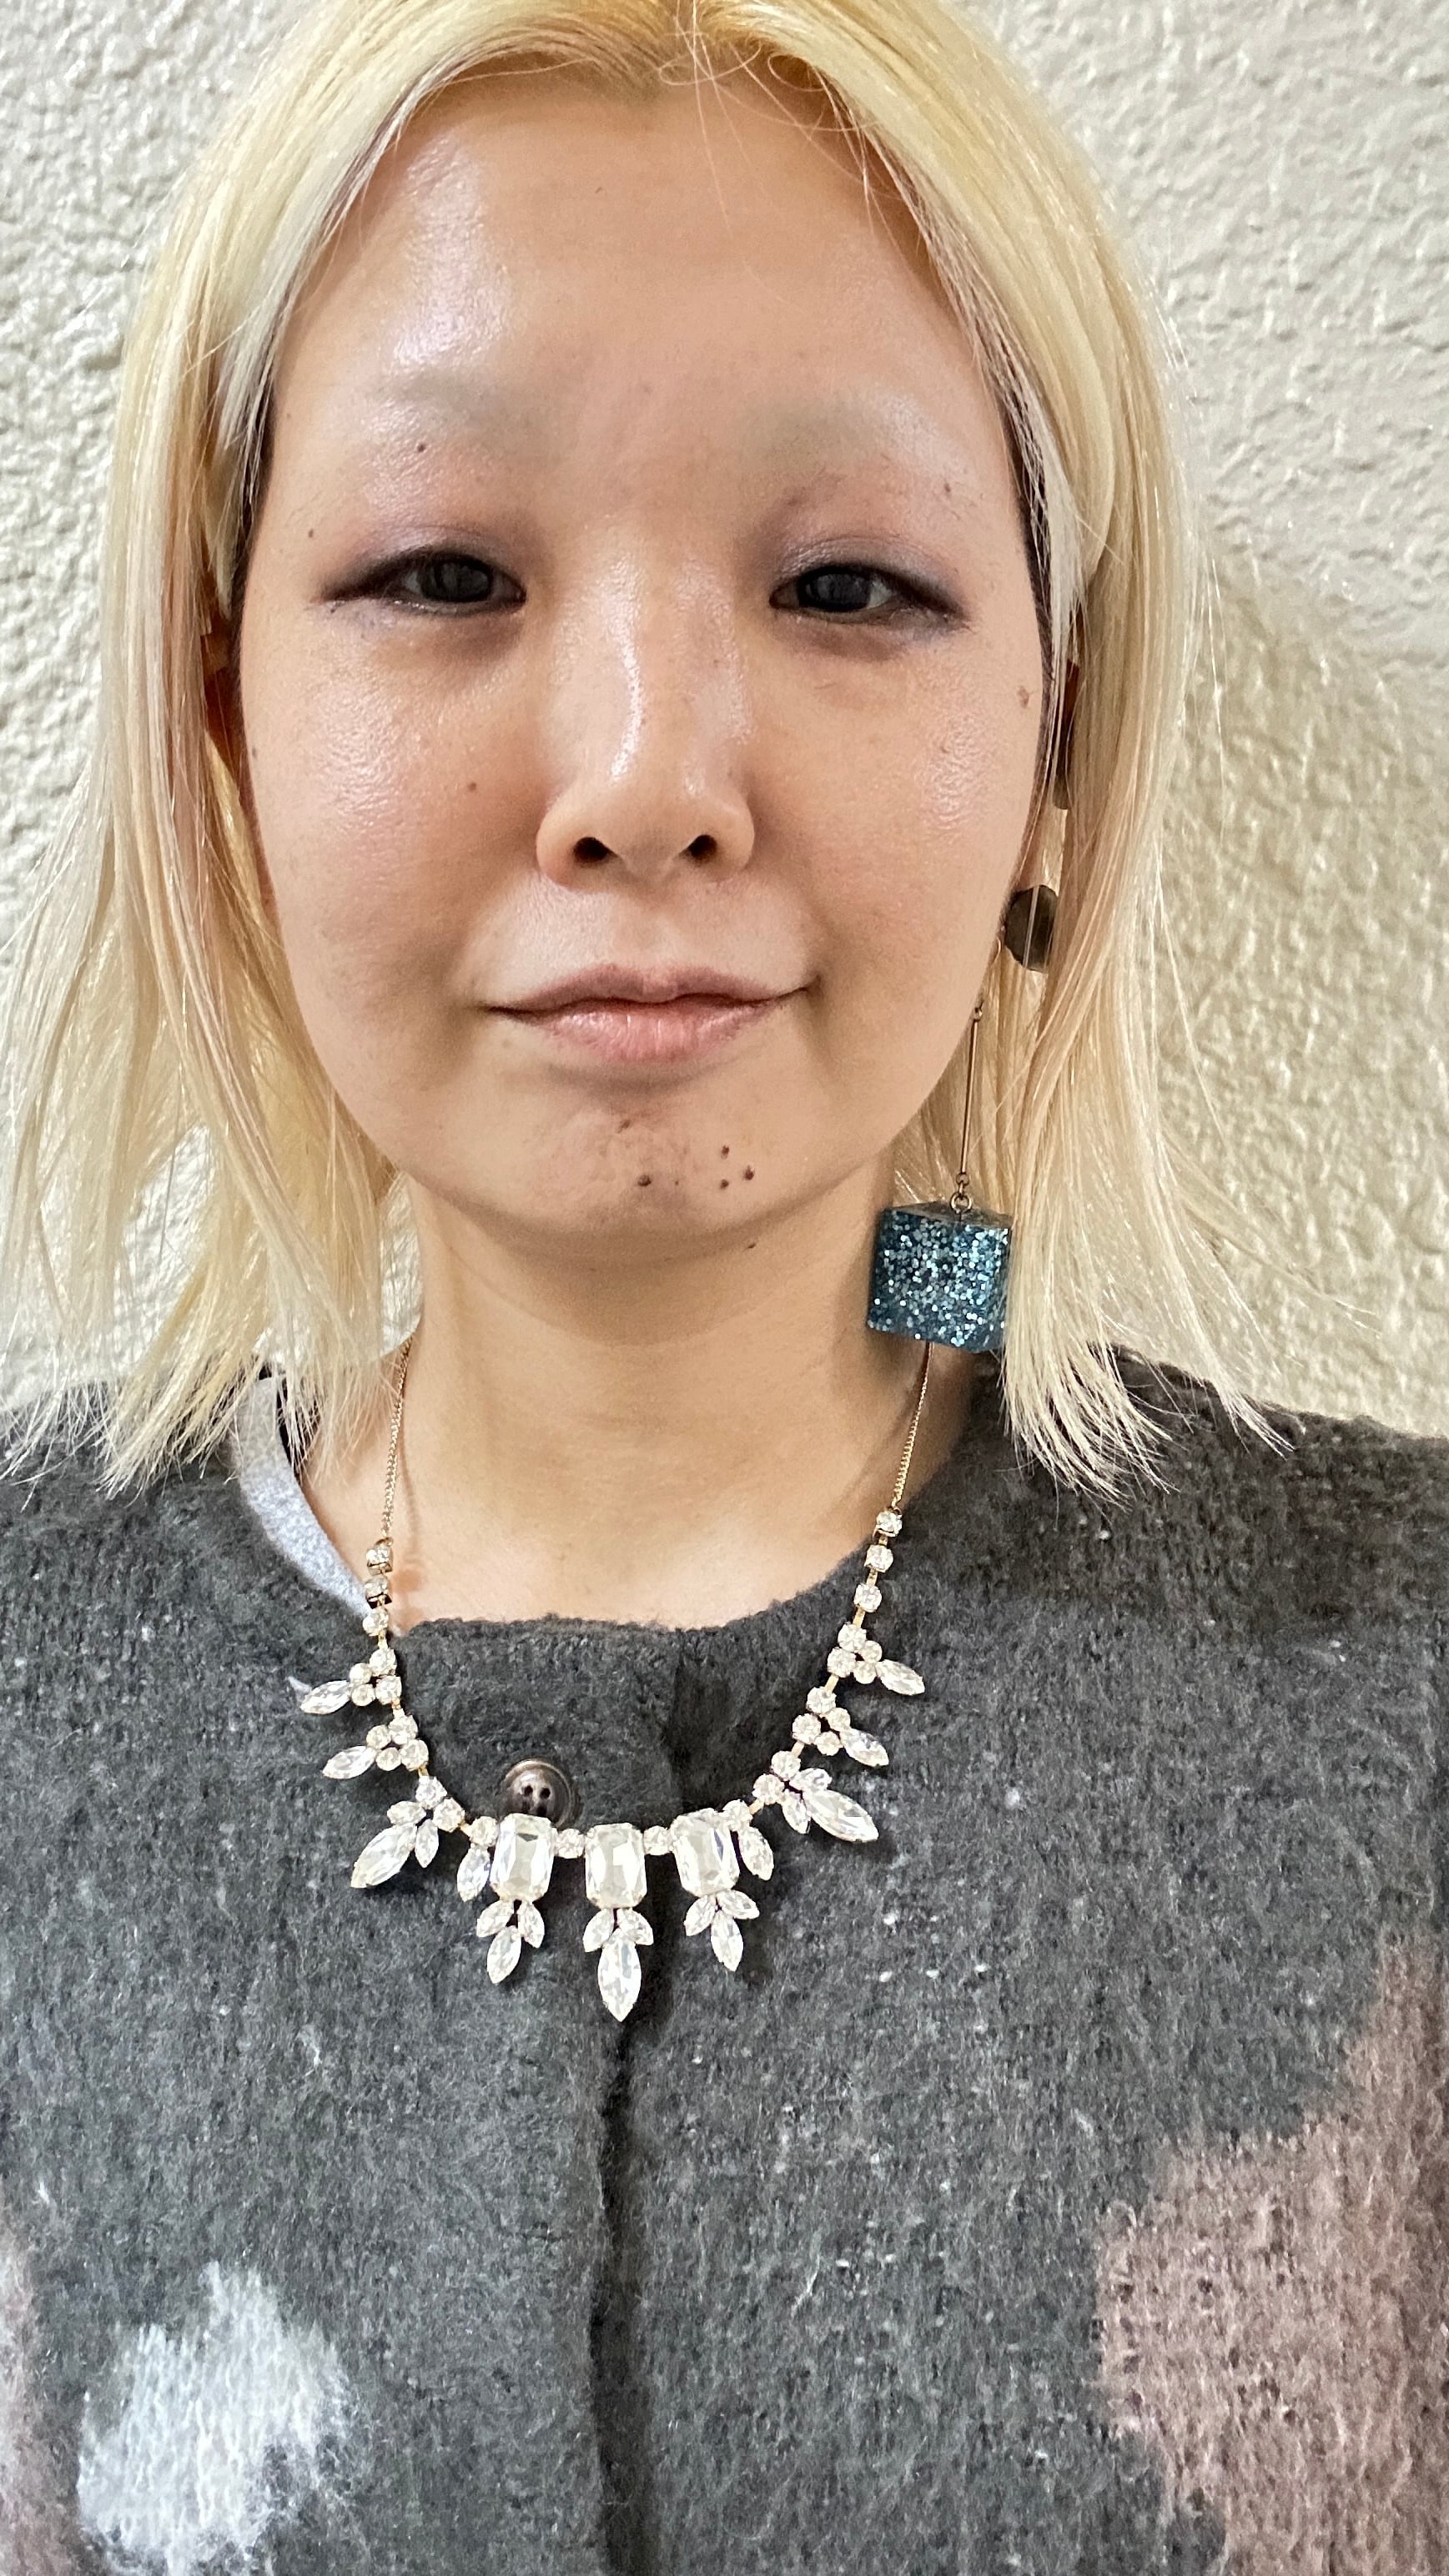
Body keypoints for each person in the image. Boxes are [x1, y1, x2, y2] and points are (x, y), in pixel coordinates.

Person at [0, 0, 1443, 2566]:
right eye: (442, 574)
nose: (648, 779)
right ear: (221, 726)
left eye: (848, 584)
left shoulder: (1395, 1704)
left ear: (1055, 740)